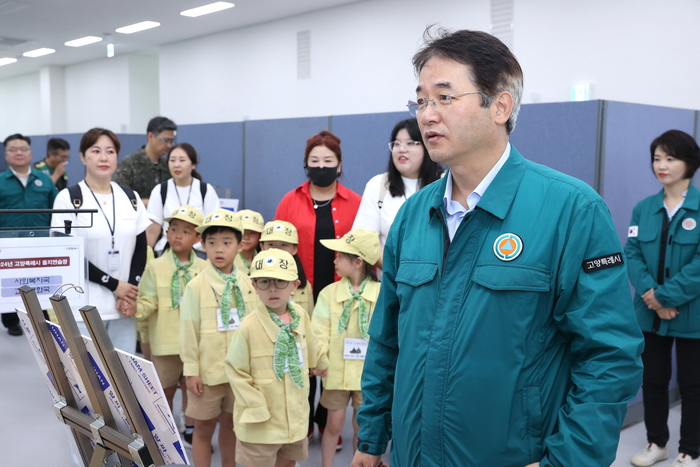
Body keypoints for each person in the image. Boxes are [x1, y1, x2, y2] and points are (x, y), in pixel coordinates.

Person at [352, 28, 644, 467]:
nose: (426, 115)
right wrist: (370, 439)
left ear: (500, 106)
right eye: (421, 100)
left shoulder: (571, 210)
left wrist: (566, 462)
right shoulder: (414, 216)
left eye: (445, 97)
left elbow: (609, 357)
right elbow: (387, 340)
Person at [275, 130, 361, 443]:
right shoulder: (290, 200)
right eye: (314, 160)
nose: (321, 166)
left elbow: (363, 248)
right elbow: (275, 248)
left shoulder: (355, 202)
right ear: (305, 165)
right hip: (299, 293)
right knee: (301, 359)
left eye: (328, 160)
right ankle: (302, 424)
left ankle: (329, 425)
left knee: (333, 361)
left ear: (339, 165)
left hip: (340, 295)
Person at [625, 130, 700, 467]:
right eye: (657, 158)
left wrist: (667, 296)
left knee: (693, 385)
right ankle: (657, 444)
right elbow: (632, 253)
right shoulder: (644, 209)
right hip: (649, 313)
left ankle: (690, 450)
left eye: (670, 158)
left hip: (691, 314)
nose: (662, 165)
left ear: (690, 163)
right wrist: (652, 297)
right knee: (652, 380)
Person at [51, 128, 150, 352]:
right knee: (88, 378)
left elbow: (140, 247)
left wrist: (130, 292)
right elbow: (69, 256)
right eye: (95, 151)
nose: (104, 157)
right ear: (83, 157)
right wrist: (114, 285)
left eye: (110, 151)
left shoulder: (130, 196)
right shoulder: (68, 198)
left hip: (122, 307)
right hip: (82, 308)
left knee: (123, 378)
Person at [225, 248, 324, 467]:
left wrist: (320, 363)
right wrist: (256, 406)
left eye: (280, 281)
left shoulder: (301, 316)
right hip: (261, 423)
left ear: (295, 286)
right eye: (264, 282)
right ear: (254, 286)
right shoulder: (248, 327)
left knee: (288, 462)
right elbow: (235, 370)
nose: (272, 288)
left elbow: (311, 344)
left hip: (294, 418)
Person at [179, 208, 259, 467]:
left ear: (240, 245)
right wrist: (191, 370)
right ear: (202, 244)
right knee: (203, 429)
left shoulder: (249, 283)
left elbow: (256, 327)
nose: (219, 249)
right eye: (212, 243)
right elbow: (188, 331)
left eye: (227, 242)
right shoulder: (196, 286)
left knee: (232, 426)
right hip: (208, 373)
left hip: (240, 372)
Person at [135, 205, 207, 447]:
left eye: (186, 231)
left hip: (196, 344)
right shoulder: (155, 267)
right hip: (164, 342)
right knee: (163, 389)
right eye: (173, 229)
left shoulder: (205, 270)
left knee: (191, 388)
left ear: (198, 238)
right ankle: (163, 429)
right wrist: (141, 328)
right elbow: (147, 301)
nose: (177, 235)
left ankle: (189, 427)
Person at [312, 229, 381, 466]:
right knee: (333, 424)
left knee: (362, 428)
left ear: (358, 261)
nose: (335, 260)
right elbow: (318, 331)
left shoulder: (381, 294)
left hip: (368, 375)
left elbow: (387, 337)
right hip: (336, 372)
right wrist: (320, 360)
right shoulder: (329, 293)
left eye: (340, 255)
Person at [352, 118, 443, 270]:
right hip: (390, 281)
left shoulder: (445, 182)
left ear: (427, 146)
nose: (401, 149)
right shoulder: (378, 185)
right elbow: (362, 240)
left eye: (410, 143)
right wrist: (396, 271)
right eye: (396, 143)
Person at [0, 133, 58, 336]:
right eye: (13, 149)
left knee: (39, 283)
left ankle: (41, 321)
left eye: (23, 149)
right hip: (8, 245)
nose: (19, 153)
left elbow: (56, 209)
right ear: (6, 155)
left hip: (39, 243)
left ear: (31, 153)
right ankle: (11, 321)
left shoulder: (45, 180)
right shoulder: (1, 181)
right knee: (10, 284)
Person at [145, 142, 219, 256]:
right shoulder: (160, 190)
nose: (176, 165)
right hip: (167, 251)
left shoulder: (205, 190)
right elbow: (153, 228)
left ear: (193, 164)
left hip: (199, 252)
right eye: (172, 160)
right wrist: (146, 254)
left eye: (182, 160)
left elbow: (213, 227)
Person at [115, 116, 177, 204]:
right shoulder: (129, 164)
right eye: (166, 140)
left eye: (171, 141)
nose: (169, 145)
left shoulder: (167, 165)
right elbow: (119, 198)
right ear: (150, 136)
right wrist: (152, 203)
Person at [259, 220, 314, 317]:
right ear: (262, 247)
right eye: (271, 244)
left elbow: (309, 320)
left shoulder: (304, 286)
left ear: (294, 249)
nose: (277, 249)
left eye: (284, 245)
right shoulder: (251, 281)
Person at [234, 209, 264, 275]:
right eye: (242, 232)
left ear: (260, 235)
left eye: (252, 232)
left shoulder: (264, 260)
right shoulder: (227, 262)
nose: (246, 237)